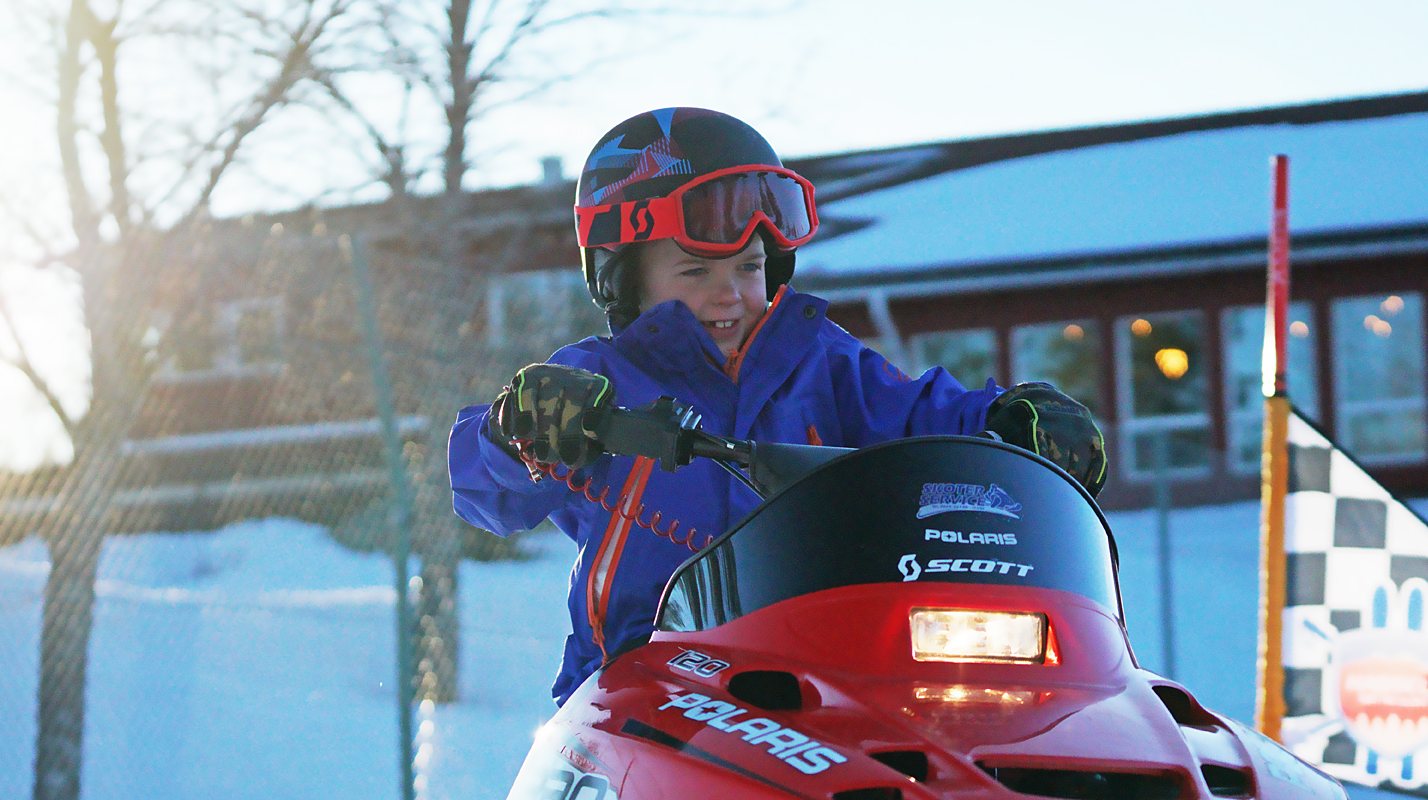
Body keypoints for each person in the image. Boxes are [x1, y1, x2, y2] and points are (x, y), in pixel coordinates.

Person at [447, 108, 1106, 705]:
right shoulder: (598, 384)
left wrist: (1005, 424)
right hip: (638, 694)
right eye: (696, 273)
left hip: (822, 685)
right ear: (626, 278)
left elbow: (915, 416)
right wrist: (520, 430)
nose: (730, 294)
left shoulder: (819, 361)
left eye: (748, 267)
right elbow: (484, 491)